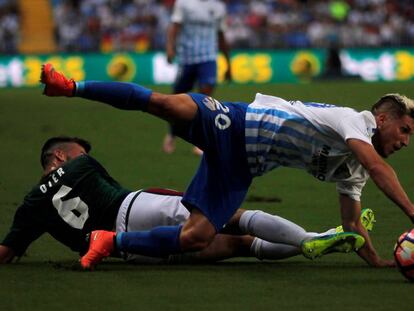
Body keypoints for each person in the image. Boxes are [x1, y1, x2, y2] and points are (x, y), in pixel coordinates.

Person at [40, 63, 414, 269]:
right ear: (382, 119)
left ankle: (110, 241)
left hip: (242, 165)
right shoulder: (354, 121)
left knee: (195, 237)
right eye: (404, 130)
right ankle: (70, 86)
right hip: (236, 122)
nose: (405, 141)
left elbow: (351, 222)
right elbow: (381, 170)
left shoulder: (355, 170)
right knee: (166, 104)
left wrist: (377, 260)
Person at [0, 136, 368, 265]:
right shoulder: (82, 164)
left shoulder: (30, 208)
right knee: (233, 217)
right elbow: (119, 191)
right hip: (134, 208)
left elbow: (8, 252)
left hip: (132, 252)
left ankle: (329, 238)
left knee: (241, 247)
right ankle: (311, 240)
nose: (84, 153)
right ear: (62, 156)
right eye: (78, 150)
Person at [163, 0, 232, 155]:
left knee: (205, 99)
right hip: (186, 58)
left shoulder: (218, 7)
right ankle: (172, 134)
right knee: (176, 99)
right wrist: (169, 48)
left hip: (208, 58)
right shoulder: (184, 3)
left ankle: (200, 141)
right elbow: (174, 27)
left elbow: (221, 36)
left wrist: (229, 64)